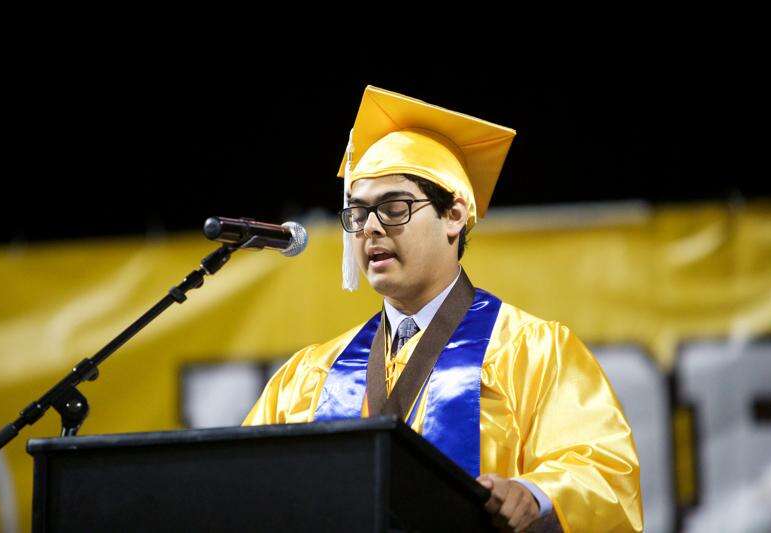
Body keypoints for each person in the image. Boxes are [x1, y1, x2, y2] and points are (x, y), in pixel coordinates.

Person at [243, 86, 643, 532]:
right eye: (357, 213)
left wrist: (534, 495)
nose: (370, 228)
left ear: (454, 215)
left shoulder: (534, 352)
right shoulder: (308, 376)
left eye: (394, 208)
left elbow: (604, 473)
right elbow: (242, 488)